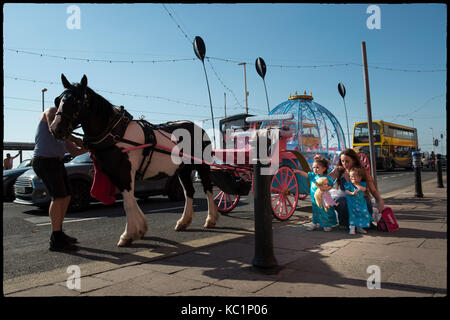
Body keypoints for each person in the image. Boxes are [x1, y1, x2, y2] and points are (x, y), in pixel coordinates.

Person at [32, 106, 87, 251]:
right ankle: (55, 239)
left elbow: (75, 152)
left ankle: (59, 232)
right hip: (44, 161)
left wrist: (91, 146)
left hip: (56, 162)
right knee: (58, 197)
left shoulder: (65, 131)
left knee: (67, 195)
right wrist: (76, 139)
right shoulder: (51, 112)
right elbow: (54, 129)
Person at [323, 148, 385, 230]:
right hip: (345, 201)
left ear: (354, 160)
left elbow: (373, 190)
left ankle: (364, 223)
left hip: (360, 200)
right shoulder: (339, 171)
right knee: (339, 200)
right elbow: (324, 181)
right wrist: (333, 171)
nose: (344, 164)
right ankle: (344, 223)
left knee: (365, 200)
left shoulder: (362, 172)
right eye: (342, 161)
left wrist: (379, 200)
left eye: (347, 161)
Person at [294, 158, 338, 231]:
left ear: (324, 168)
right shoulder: (313, 176)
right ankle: (314, 223)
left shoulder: (327, 178)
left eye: (317, 167)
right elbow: (305, 174)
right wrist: (298, 171)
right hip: (315, 198)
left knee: (325, 211)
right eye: (314, 167)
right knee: (315, 210)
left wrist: (325, 188)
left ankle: (326, 224)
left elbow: (330, 186)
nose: (315, 169)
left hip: (323, 199)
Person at [344, 167, 373, 235]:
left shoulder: (362, 184)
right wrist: (352, 193)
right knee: (352, 215)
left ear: (360, 177)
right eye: (351, 176)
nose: (352, 178)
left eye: (354, 176)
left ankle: (360, 227)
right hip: (352, 204)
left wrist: (356, 185)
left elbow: (364, 189)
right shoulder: (349, 184)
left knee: (362, 214)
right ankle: (352, 228)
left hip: (361, 203)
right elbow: (346, 191)